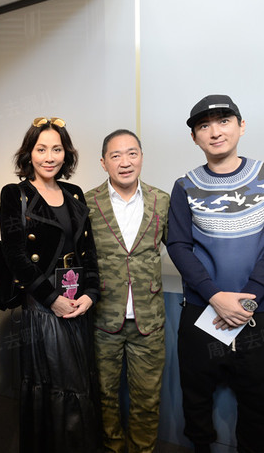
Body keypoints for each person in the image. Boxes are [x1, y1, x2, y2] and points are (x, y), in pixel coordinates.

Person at [167, 95, 264, 453]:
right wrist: (214, 296)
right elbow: (178, 245)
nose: (215, 132)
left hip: (261, 314)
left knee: (257, 416)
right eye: (204, 126)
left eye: (224, 121)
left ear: (241, 126)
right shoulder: (184, 186)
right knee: (196, 409)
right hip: (202, 314)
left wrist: (247, 298)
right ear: (194, 137)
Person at [0, 117, 100, 453]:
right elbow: (15, 256)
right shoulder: (15, 194)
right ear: (29, 153)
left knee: (81, 384)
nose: (49, 157)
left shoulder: (74, 193)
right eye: (41, 149)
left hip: (77, 303)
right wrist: (51, 298)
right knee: (56, 386)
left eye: (57, 149)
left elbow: (88, 251)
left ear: (66, 153)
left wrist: (91, 293)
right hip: (43, 306)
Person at [85, 129, 169, 453]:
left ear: (142, 157)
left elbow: (183, 249)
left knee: (147, 400)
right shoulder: (87, 203)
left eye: (132, 153)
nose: (125, 162)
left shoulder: (162, 200)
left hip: (149, 322)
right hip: (103, 320)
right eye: (116, 155)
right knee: (104, 398)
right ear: (103, 162)